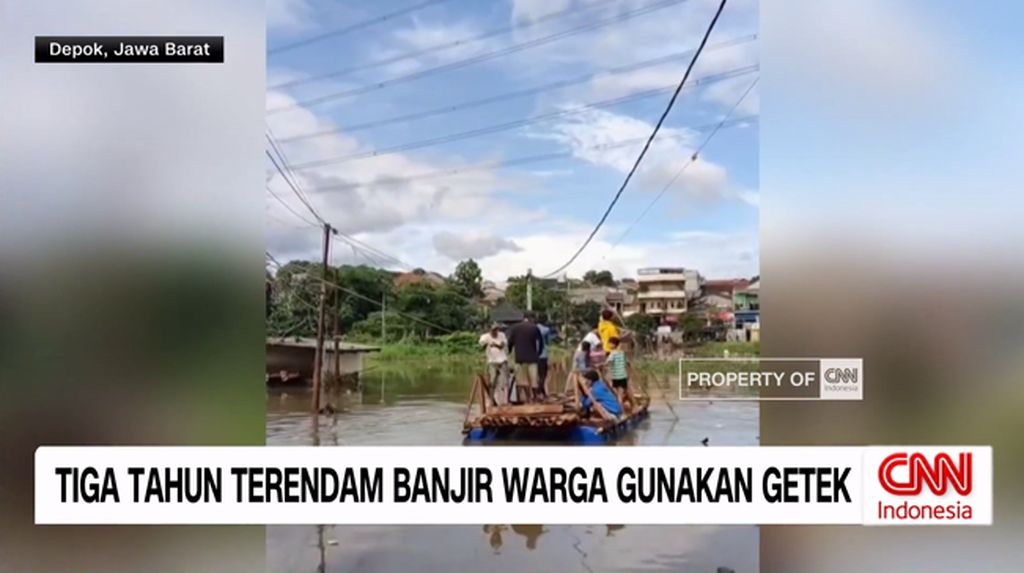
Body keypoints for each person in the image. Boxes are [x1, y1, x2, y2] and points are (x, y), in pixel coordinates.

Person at [507, 311, 543, 403]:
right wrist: (538, 354)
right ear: (531, 318)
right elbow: (540, 343)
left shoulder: (515, 328)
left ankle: (527, 398)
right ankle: (534, 398)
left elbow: (510, 343)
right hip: (532, 358)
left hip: (520, 359)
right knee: (534, 380)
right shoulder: (534, 328)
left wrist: (510, 352)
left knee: (522, 380)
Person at [478, 323, 509, 404]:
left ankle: (505, 401)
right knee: (492, 382)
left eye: (496, 329)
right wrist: (487, 344)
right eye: (493, 330)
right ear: (490, 330)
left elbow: (502, 346)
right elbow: (481, 346)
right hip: (492, 362)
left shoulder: (501, 335)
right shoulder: (485, 337)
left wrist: (494, 344)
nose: (495, 331)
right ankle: (491, 400)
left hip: (502, 361)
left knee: (504, 381)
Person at [606, 336, 634, 411]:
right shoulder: (622, 353)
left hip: (616, 377)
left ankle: (621, 410)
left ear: (614, 344)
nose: (608, 345)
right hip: (623, 376)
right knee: (621, 394)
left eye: (609, 344)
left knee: (618, 395)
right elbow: (628, 363)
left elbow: (607, 363)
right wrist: (629, 373)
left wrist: (600, 366)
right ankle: (631, 405)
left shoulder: (612, 354)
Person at [535, 313, 559, 399]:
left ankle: (540, 391)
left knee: (536, 375)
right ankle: (540, 390)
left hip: (533, 354)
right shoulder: (546, 330)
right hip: (543, 355)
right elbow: (548, 342)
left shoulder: (534, 328)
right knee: (543, 375)